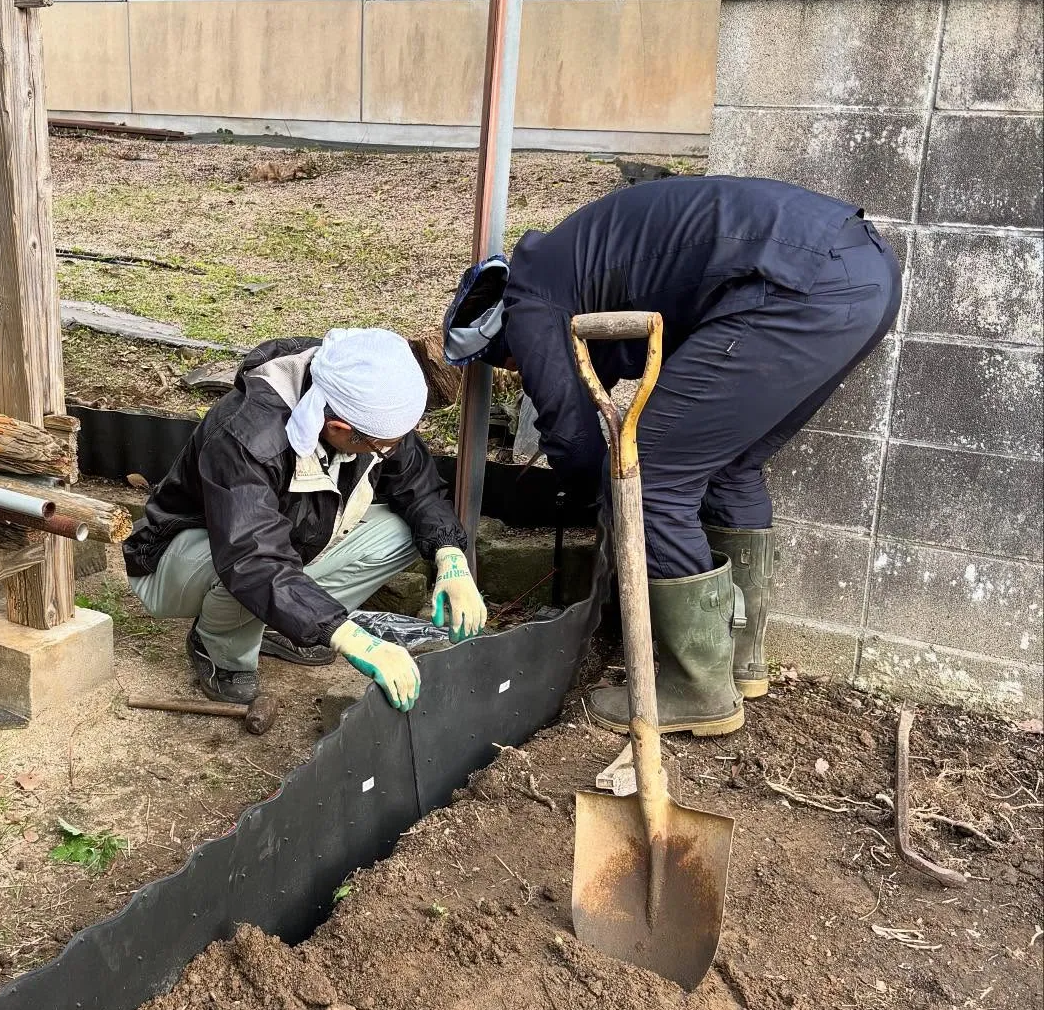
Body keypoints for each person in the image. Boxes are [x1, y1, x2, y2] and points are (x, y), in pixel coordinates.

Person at [442, 175, 902, 736]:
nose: (520, 374)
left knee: (649, 479)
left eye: (511, 366)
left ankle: (697, 687)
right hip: (862, 274)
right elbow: (610, 381)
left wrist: (594, 498)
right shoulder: (576, 260)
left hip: (795, 286)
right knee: (731, 468)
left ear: (500, 340)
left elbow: (577, 435)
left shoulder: (530, 303)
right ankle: (737, 664)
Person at [124, 328, 488, 711]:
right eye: (386, 445)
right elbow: (254, 560)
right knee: (256, 568)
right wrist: (350, 637)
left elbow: (417, 486)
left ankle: (284, 626)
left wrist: (451, 557)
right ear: (338, 429)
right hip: (178, 560)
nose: (392, 451)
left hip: (280, 542)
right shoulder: (247, 437)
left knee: (403, 533)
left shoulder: (363, 399)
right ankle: (218, 649)